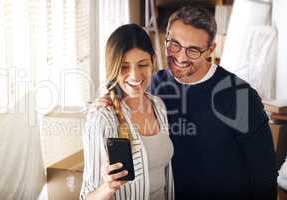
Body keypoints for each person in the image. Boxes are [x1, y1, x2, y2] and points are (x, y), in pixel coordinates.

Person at [96, 6, 277, 200]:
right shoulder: (152, 86)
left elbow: (264, 176)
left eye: (192, 50)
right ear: (165, 41)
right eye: (174, 45)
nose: (181, 57)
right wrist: (108, 97)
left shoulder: (240, 96)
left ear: (210, 50)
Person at [80, 24, 174, 200]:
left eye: (142, 64)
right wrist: (108, 187)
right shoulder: (103, 118)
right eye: (124, 66)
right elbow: (87, 197)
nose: (135, 75)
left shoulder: (158, 105)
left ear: (153, 61)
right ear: (112, 68)